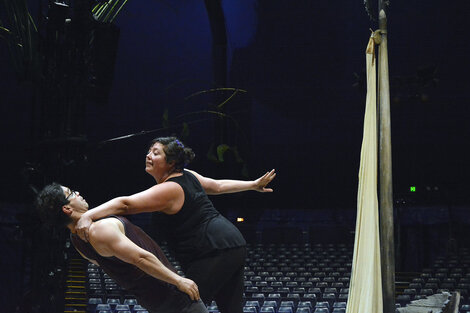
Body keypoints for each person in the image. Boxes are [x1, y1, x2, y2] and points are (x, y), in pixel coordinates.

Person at [75, 136, 276, 313]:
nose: (148, 155)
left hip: (213, 248)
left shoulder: (169, 188)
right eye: (149, 151)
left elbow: (124, 204)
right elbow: (217, 186)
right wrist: (252, 185)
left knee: (181, 306)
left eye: (156, 153)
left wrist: (88, 215)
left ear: (171, 162)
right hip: (232, 243)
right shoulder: (188, 175)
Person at [36, 183, 208, 313]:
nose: (78, 193)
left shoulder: (77, 241)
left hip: (155, 303)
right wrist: (178, 280)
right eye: (71, 193)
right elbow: (140, 258)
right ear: (66, 208)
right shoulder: (99, 230)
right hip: (175, 299)